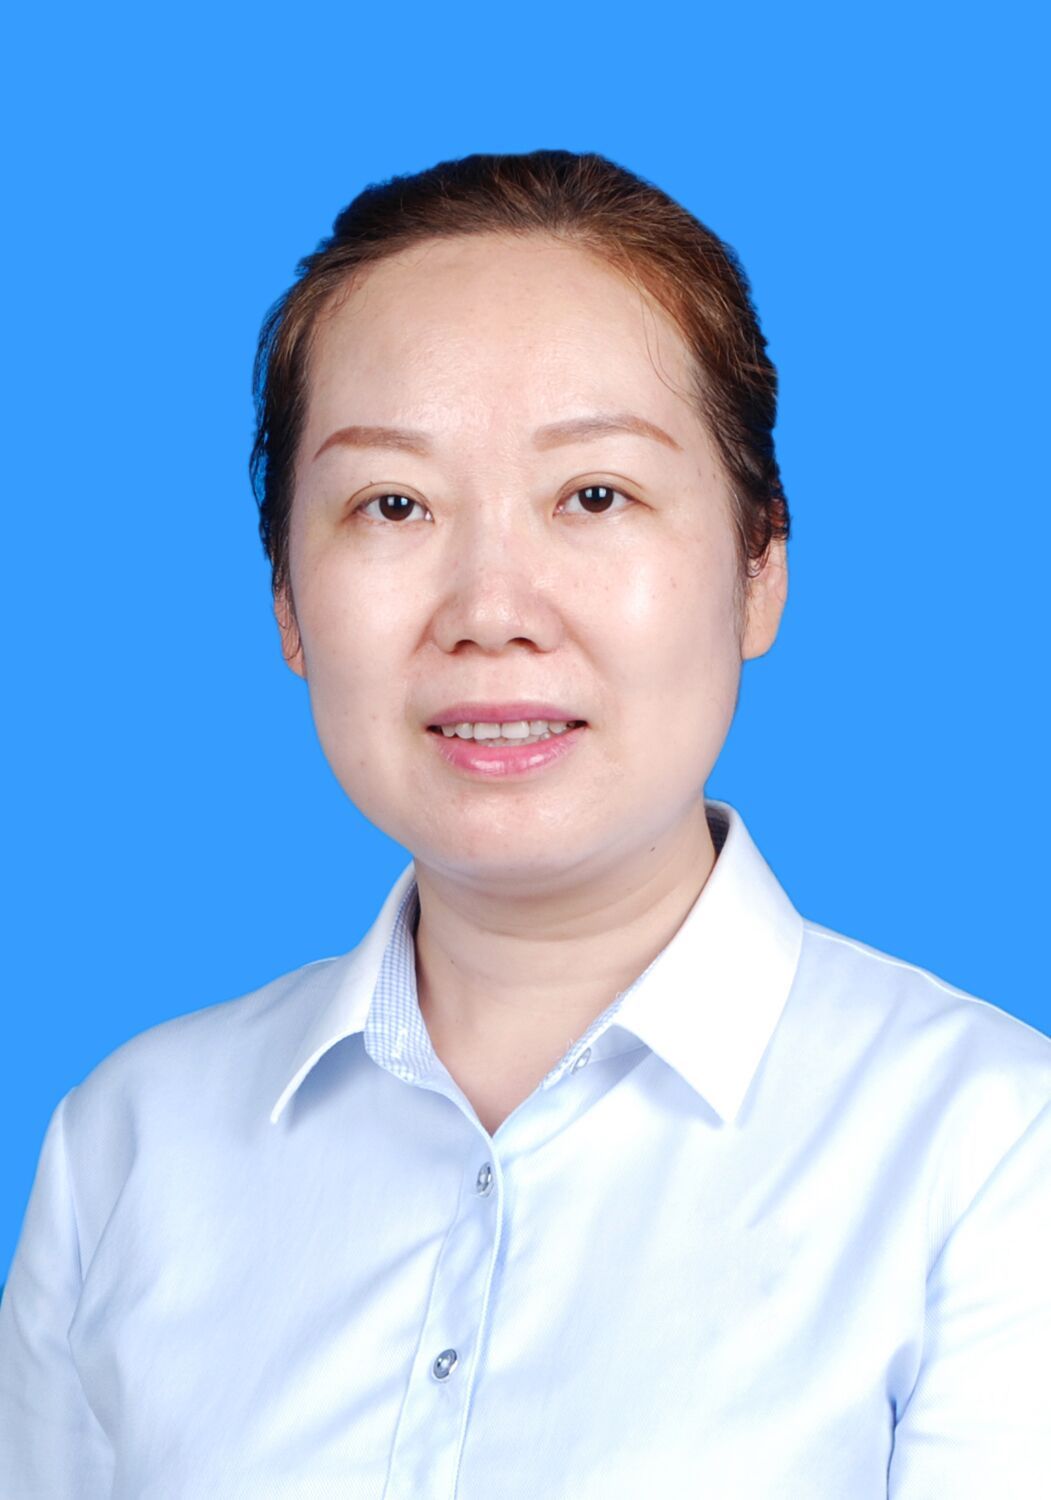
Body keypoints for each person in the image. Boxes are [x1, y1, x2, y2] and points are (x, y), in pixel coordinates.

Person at [1, 149, 1048, 1498]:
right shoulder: (129, 1147)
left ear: (760, 569)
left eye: (595, 495)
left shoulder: (991, 1156)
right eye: (393, 505)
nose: (491, 609)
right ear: (287, 603)